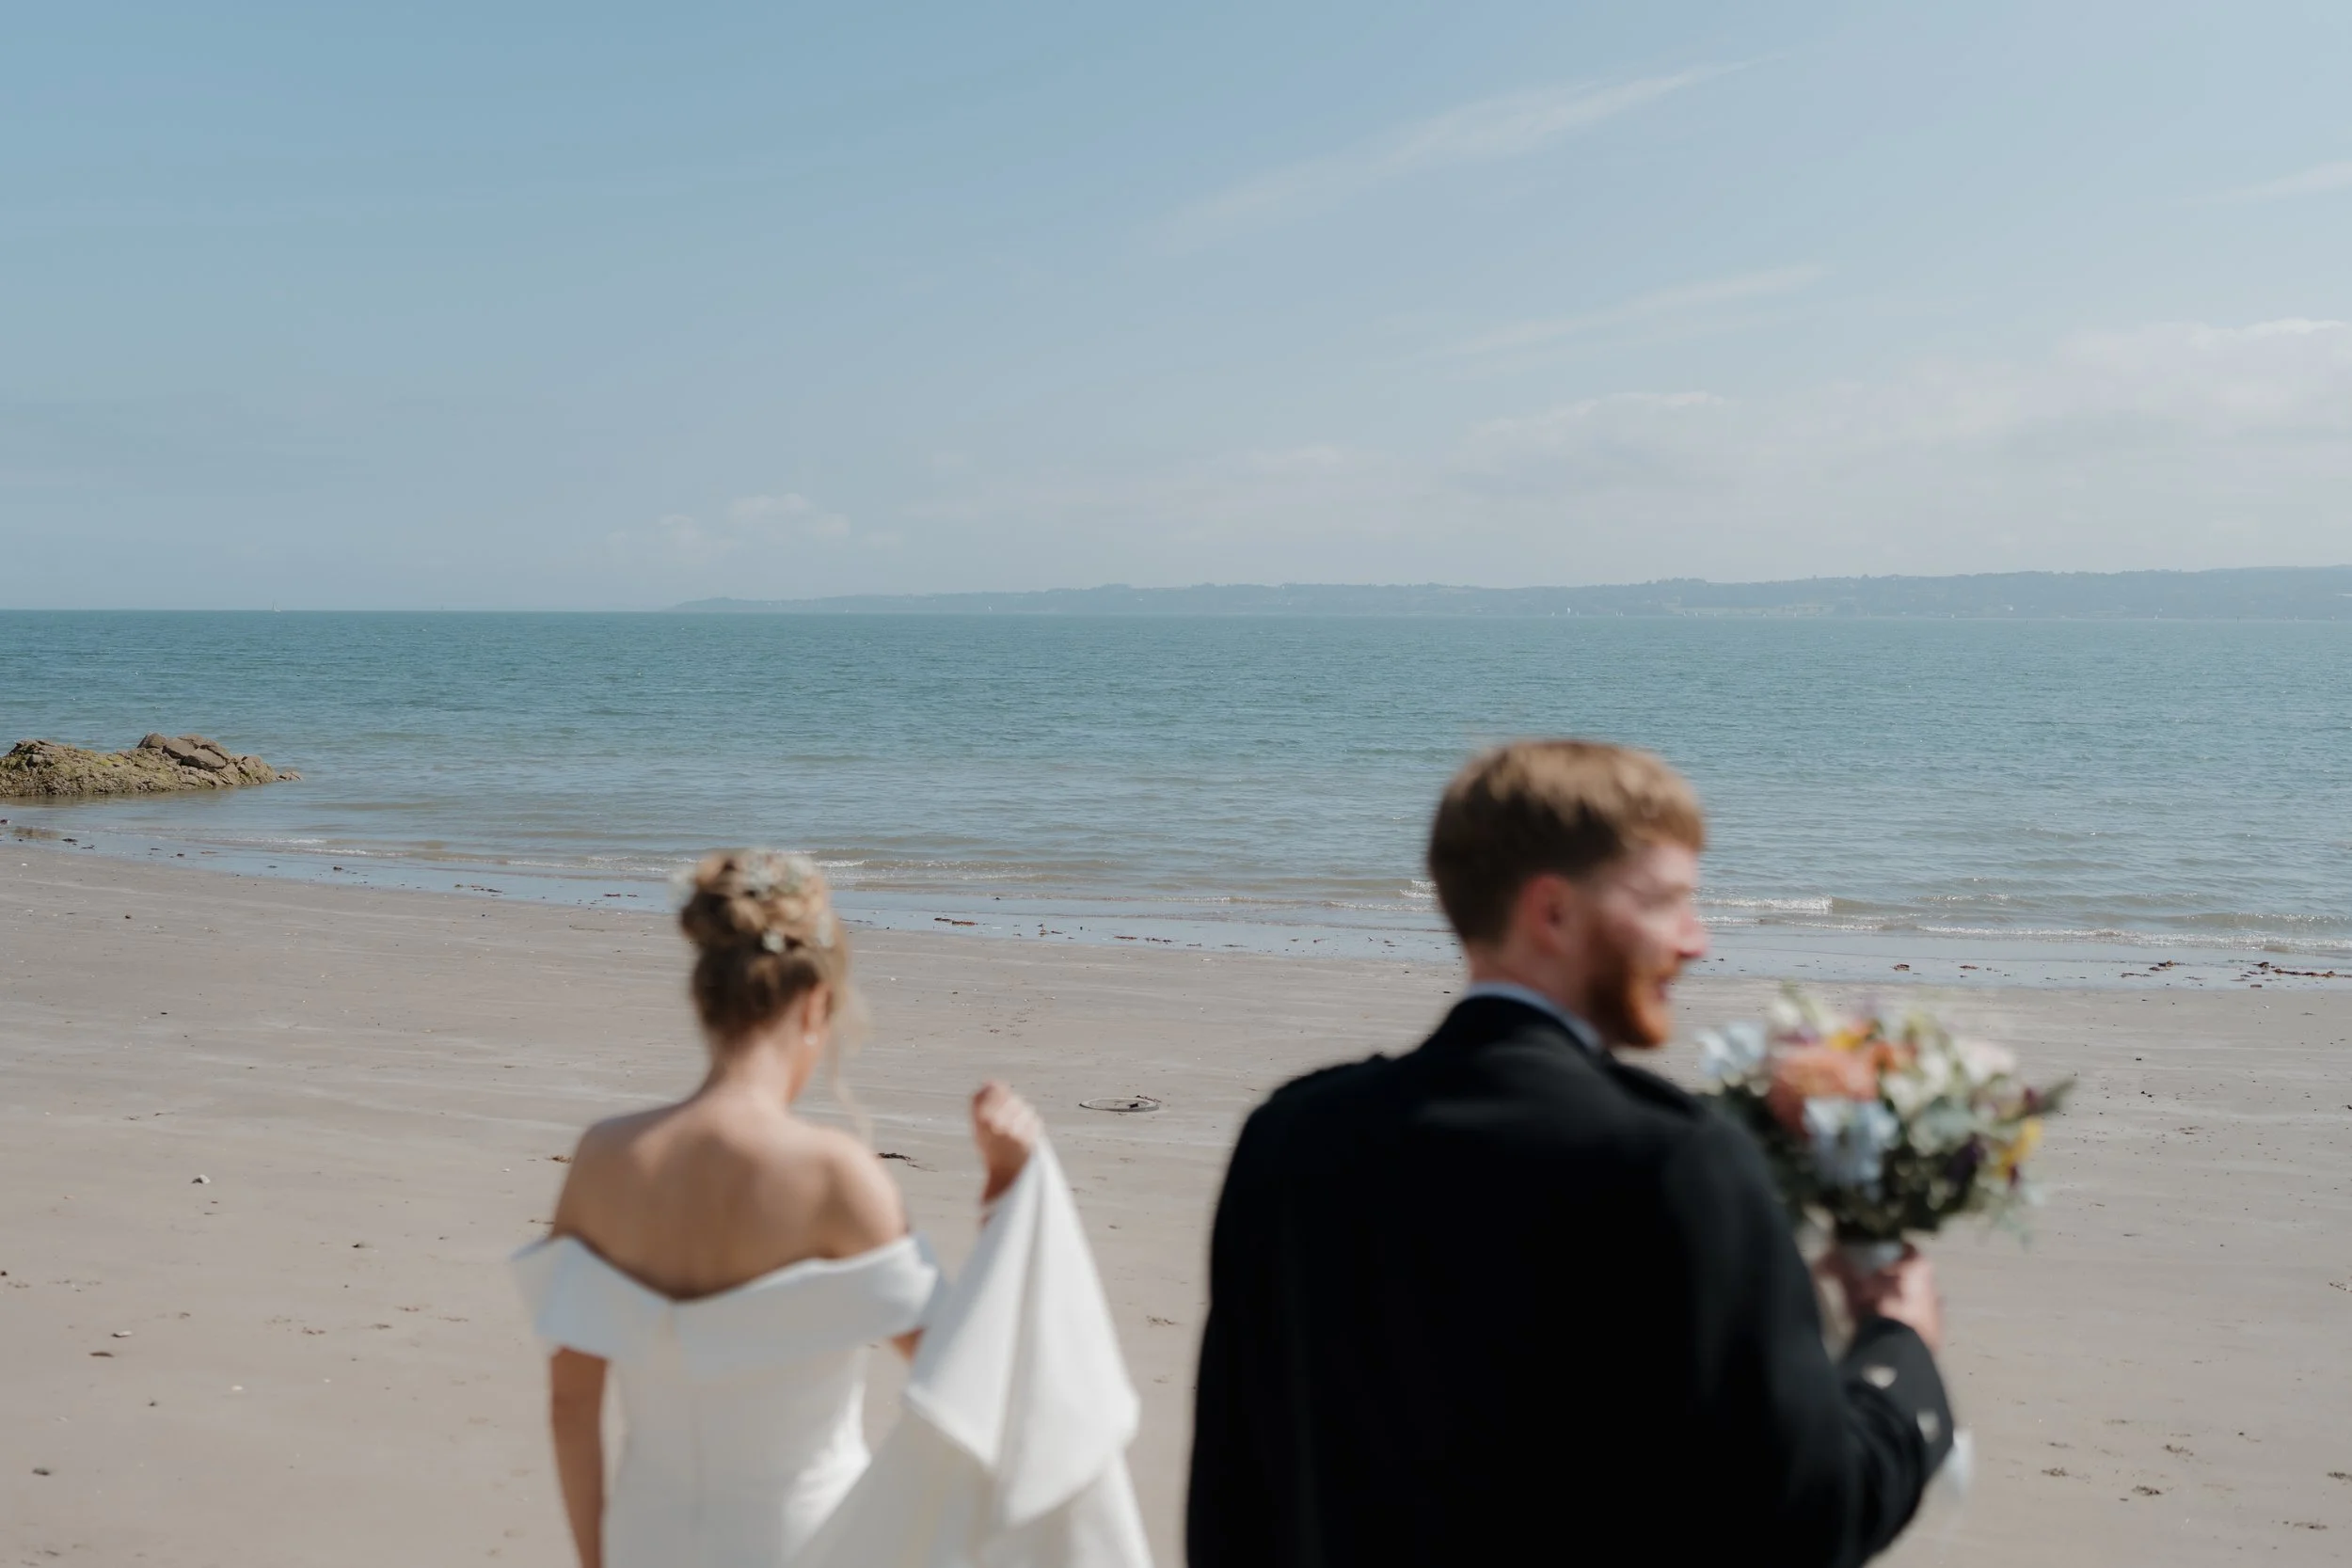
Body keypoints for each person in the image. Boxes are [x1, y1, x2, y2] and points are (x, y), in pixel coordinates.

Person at [1187, 740, 1953, 1567]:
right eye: (1666, 902)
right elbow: (1807, 1514)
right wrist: (1897, 1350)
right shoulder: (1670, 1161)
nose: (1696, 940)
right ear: (1552, 913)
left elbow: (1232, 1493)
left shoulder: (1290, 1137)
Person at [512, 849, 1041, 1568]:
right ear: (815, 1003)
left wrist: (598, 1560)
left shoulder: (605, 1157)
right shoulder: (834, 1175)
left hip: (648, 1537)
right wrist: (1005, 1193)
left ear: (703, 998)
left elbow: (571, 1405)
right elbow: (962, 1377)